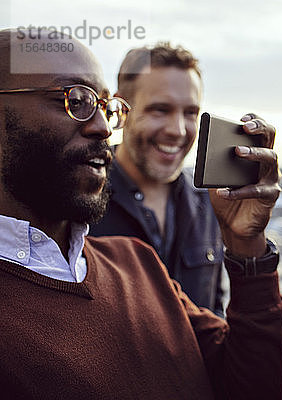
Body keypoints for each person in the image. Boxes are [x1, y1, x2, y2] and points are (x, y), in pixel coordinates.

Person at [0, 29, 282, 399]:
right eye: (74, 99)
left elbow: (251, 385)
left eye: (105, 108)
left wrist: (248, 248)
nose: (103, 127)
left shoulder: (137, 261)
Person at [89, 43, 225, 315]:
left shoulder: (209, 204)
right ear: (121, 109)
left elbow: (215, 311)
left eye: (190, 113)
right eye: (160, 110)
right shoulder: (80, 202)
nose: (177, 130)